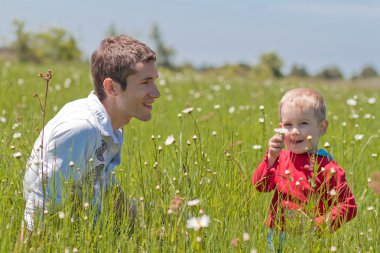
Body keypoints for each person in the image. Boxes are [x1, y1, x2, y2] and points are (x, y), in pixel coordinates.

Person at [19, 35, 160, 242]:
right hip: (63, 240)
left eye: (154, 81)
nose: (156, 93)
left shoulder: (109, 125)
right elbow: (39, 207)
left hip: (88, 234)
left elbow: (106, 184)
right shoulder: (81, 128)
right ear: (112, 87)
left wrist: (146, 231)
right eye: (145, 82)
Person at [252, 88, 357, 252]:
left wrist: (317, 225)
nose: (294, 131)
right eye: (288, 125)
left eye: (303, 123)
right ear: (280, 128)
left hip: (308, 239)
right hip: (276, 233)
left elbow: (348, 205)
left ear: (322, 127)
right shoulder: (280, 157)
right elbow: (260, 186)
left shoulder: (327, 167)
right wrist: (271, 157)